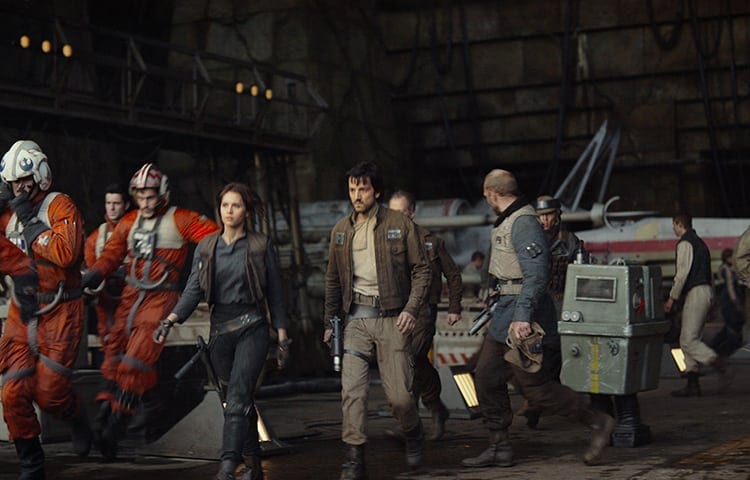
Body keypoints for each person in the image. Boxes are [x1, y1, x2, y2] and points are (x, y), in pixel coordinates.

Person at [461, 169, 615, 468]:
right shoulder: (508, 220)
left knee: (536, 389)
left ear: (492, 193)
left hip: (524, 315)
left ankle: (598, 421)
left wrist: (523, 316)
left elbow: (536, 274)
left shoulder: (524, 222)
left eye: (486, 194)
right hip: (505, 313)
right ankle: (499, 445)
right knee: (487, 376)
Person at [81, 163, 220, 459]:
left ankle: (115, 427)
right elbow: (111, 254)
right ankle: (103, 416)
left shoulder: (181, 219)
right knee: (113, 354)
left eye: (151, 196)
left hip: (160, 298)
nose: (145, 202)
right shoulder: (130, 221)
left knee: (136, 362)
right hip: (130, 296)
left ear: (163, 194)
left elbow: (216, 240)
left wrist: (205, 276)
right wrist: (94, 274)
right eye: (140, 196)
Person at [153, 182, 288, 480]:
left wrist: (281, 337)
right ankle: (253, 464)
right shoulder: (207, 247)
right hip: (220, 332)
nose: (229, 211)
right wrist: (169, 320)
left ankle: (228, 466)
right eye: (225, 205)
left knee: (238, 397)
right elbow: (193, 289)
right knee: (235, 400)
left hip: (253, 326)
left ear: (246, 211)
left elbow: (276, 294)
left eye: (236, 205)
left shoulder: (260, 245)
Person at [323, 162, 430, 480]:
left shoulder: (399, 223)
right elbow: (332, 279)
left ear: (377, 191)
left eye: (363, 189)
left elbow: (422, 269)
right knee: (353, 392)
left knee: (400, 398)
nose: (357, 195)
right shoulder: (341, 230)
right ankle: (354, 458)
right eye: (352, 189)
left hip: (393, 318)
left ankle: (413, 432)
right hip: (356, 320)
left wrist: (411, 309)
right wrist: (330, 322)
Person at [0, 140, 91, 479]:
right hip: (23, 309)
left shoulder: (60, 206)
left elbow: (66, 254)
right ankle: (31, 463)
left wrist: (30, 222)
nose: (19, 188)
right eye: (13, 182)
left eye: (24, 179)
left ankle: (77, 416)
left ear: (40, 175)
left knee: (49, 394)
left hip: (61, 309)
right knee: (11, 391)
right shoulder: (8, 214)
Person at [388, 190, 462, 441]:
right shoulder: (384, 242)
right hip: (396, 310)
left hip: (423, 311)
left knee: (408, 359)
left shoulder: (431, 241)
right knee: (413, 362)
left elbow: (453, 275)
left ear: (411, 213)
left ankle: (408, 424)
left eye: (400, 212)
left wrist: (454, 307)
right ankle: (436, 408)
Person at [664, 213, 731, 396]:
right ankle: (692, 383)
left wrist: (672, 298)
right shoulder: (701, 244)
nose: (673, 229)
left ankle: (719, 364)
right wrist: (713, 300)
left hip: (696, 293)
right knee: (689, 338)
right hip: (705, 291)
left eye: (674, 225)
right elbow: (709, 274)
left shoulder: (685, 243)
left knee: (688, 340)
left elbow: (682, 274)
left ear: (679, 224)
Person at [84, 183, 131, 361]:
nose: (111, 208)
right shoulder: (96, 238)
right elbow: (91, 270)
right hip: (106, 305)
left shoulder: (138, 232)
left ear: (126, 205)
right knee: (109, 352)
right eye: (108, 203)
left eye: (116, 203)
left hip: (133, 300)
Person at [708, 248, 744, 357]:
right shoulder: (726, 270)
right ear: (727, 258)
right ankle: (722, 347)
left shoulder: (725, 268)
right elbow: (730, 287)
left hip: (727, 299)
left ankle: (715, 346)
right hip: (728, 300)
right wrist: (735, 301)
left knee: (729, 325)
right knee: (732, 324)